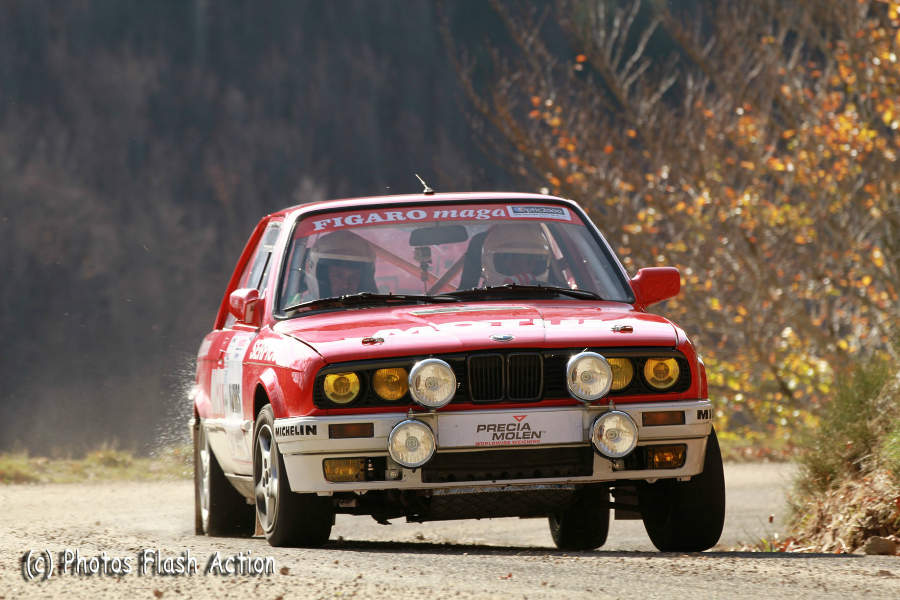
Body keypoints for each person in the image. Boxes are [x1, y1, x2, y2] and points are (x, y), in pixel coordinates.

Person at [305, 230, 378, 298]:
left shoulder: (380, 310)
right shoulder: (301, 311)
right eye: (338, 275)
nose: (346, 285)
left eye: (354, 277)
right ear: (322, 277)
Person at [480, 223, 552, 286]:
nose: (522, 270)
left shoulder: (557, 297)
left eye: (528, 263)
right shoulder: (475, 299)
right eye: (514, 263)